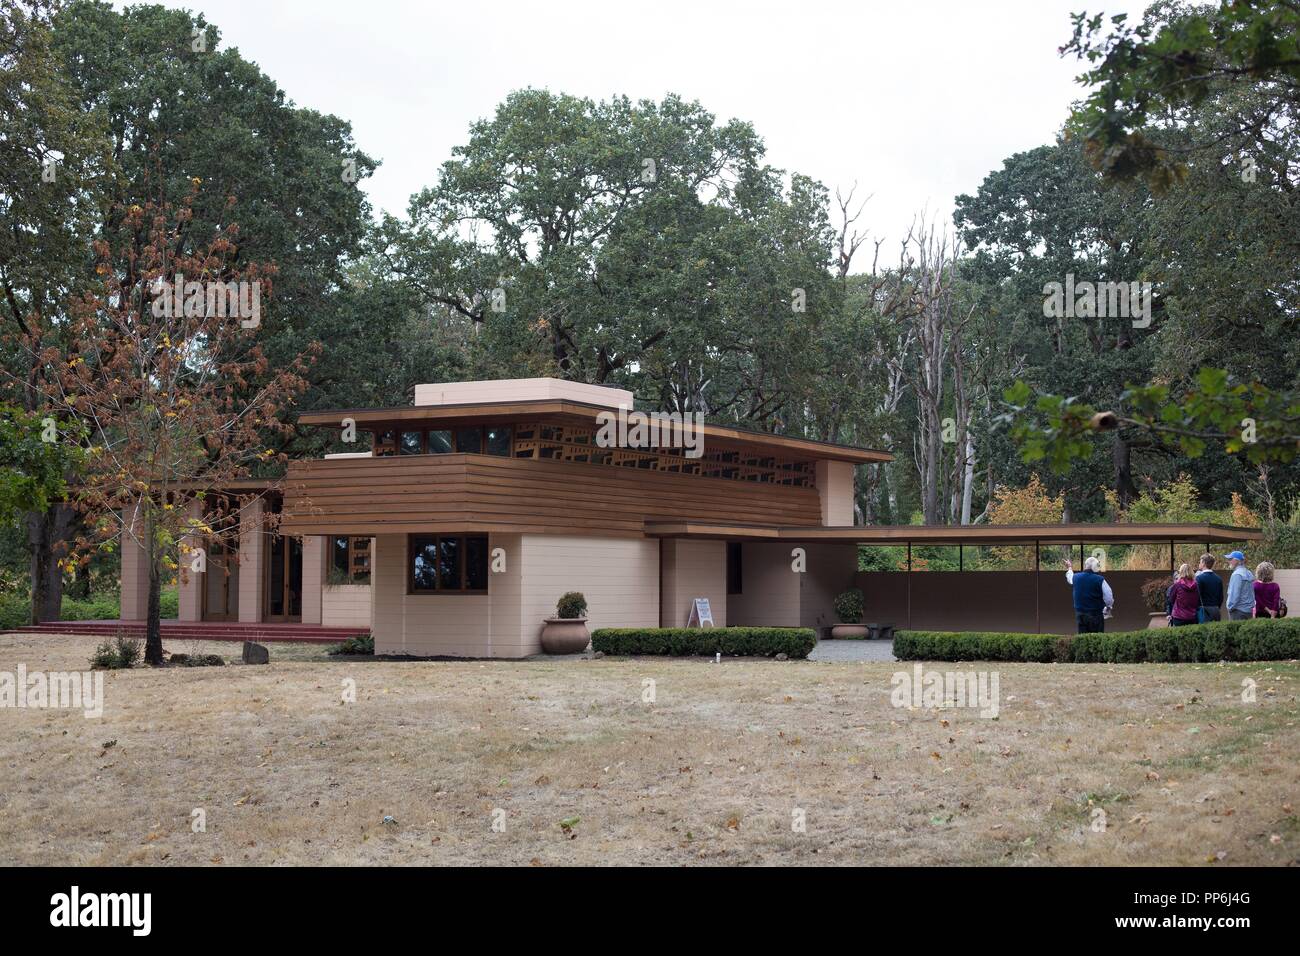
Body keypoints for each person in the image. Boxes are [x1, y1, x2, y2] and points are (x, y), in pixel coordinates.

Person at [1064, 556, 1114, 633]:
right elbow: (1108, 596)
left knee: (1083, 640)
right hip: (1096, 615)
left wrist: (1070, 567)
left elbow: (1070, 577)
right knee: (1097, 640)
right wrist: (1108, 607)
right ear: (1095, 566)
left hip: (1080, 615)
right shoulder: (1100, 579)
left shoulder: (1076, 577)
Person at [1224, 550, 1256, 621]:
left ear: (1236, 561)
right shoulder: (1249, 573)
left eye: (1230, 559)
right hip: (1248, 611)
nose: (1228, 561)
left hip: (1238, 611)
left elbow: (1234, 595)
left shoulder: (1237, 575)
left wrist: (1229, 607)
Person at [1194, 553, 1223, 623]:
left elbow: (1196, 596)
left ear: (1203, 563)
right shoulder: (1218, 579)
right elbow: (1221, 597)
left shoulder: (1199, 578)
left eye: (1200, 562)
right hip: (1216, 610)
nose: (1199, 564)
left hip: (1203, 610)